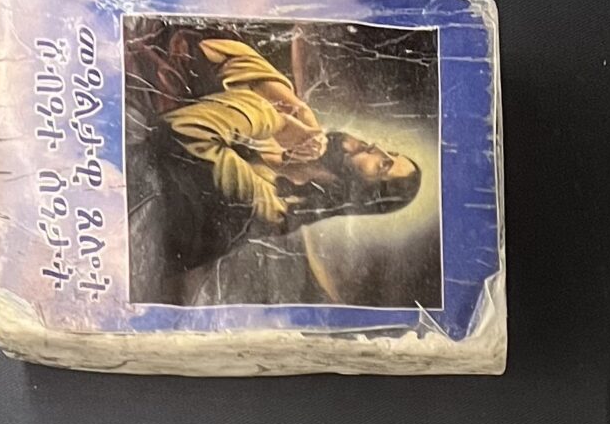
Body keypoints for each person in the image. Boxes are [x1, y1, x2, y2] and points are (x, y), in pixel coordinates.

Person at [127, 30, 422, 284]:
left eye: (384, 165)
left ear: (363, 193)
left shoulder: (268, 207)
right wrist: (289, 102)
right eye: (391, 152)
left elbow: (184, 130)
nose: (377, 148)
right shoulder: (284, 155)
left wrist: (276, 120)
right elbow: (212, 49)